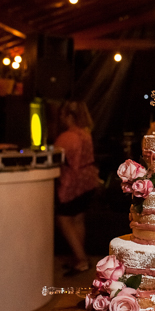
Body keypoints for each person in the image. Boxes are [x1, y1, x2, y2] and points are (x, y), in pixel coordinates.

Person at [54, 100, 100, 276]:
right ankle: (78, 258)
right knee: (78, 219)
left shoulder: (66, 137)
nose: (60, 118)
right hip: (88, 181)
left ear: (69, 116)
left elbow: (54, 158)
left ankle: (81, 259)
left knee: (63, 219)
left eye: (62, 115)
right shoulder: (85, 134)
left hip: (72, 184)